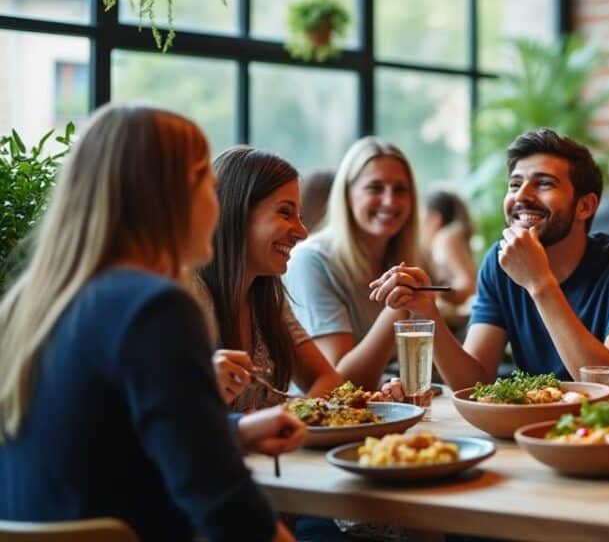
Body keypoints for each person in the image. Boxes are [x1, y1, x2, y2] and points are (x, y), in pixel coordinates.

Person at [0, 104, 304, 542]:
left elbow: (105, 440)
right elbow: (227, 509)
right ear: (166, 194)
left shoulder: (32, 304)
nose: (218, 206)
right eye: (209, 183)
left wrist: (232, 431)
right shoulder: (154, 308)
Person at [369, 129, 609, 401]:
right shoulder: (500, 263)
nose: (522, 197)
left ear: (585, 206)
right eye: (515, 185)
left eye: (543, 184)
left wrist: (539, 283)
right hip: (534, 436)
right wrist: (428, 312)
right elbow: (474, 385)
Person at [284, 137, 438, 390]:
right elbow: (339, 383)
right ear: (346, 194)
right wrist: (398, 307)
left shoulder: (407, 259)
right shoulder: (311, 260)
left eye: (400, 190)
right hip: (321, 422)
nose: (390, 201)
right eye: (375, 188)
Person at [196, 147, 343, 411]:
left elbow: (328, 378)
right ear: (237, 211)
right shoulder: (189, 296)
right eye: (285, 213)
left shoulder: (267, 296)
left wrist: (289, 419)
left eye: (300, 216)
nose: (302, 232)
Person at [420, 189, 478, 308]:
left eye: (422, 218)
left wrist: (439, 294)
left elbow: (469, 283)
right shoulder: (448, 238)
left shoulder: (446, 237)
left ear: (435, 219)